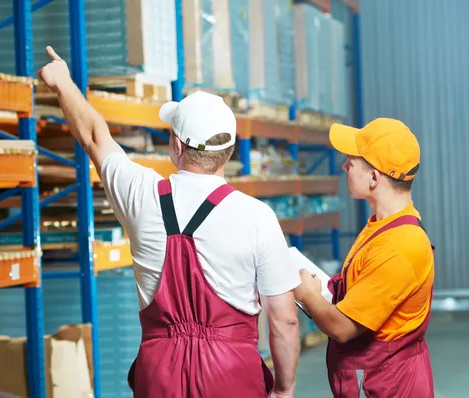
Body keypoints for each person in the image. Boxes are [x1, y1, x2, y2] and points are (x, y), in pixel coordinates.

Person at [38, 46, 301, 398]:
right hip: (233, 372)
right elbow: (284, 320)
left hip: (160, 372)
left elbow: (94, 136)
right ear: (230, 149)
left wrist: (62, 83)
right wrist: (284, 389)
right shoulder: (257, 217)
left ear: (176, 145)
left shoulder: (141, 194)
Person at [294, 118, 435, 398]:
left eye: (351, 161)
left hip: (386, 387)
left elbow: (342, 328)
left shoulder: (399, 246)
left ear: (374, 178)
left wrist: (308, 295)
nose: (344, 167)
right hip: (377, 381)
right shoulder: (382, 226)